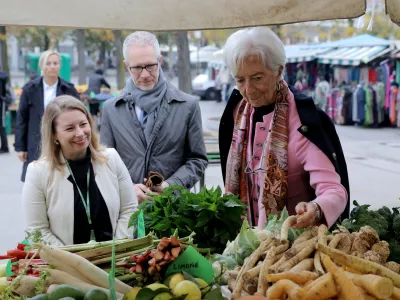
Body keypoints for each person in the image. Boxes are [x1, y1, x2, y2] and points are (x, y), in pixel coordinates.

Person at [219, 27, 350, 229]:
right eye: (240, 80)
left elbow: (334, 190)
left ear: (279, 71)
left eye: (257, 78)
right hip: (244, 242)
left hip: (290, 248)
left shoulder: (304, 122)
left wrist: (316, 208)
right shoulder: (237, 114)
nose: (249, 90)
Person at [101, 31, 208, 203]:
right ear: (127, 66)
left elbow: (197, 159)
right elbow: (104, 163)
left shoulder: (188, 105)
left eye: (150, 65)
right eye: (137, 68)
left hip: (172, 212)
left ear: (160, 61)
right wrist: (127, 189)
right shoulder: (111, 109)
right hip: (128, 212)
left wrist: (170, 186)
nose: (144, 75)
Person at [22, 95, 137, 246]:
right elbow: (36, 230)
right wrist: (73, 261)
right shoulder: (38, 172)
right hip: (67, 265)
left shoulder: (112, 159)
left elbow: (130, 210)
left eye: (83, 124)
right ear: (54, 135)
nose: (80, 133)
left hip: (116, 261)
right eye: (70, 128)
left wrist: (116, 250)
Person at [15, 49, 80, 182]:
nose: (52, 67)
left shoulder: (68, 89)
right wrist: (20, 147)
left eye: (55, 63)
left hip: (62, 140)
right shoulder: (29, 89)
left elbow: (78, 117)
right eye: (48, 63)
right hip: (35, 140)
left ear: (59, 66)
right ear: (41, 66)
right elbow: (22, 118)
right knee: (36, 180)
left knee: (61, 179)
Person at [0, 71, 15, 154]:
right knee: (2, 126)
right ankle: (4, 146)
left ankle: (4, 147)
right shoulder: (4, 77)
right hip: (2, 105)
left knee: (2, 127)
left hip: (2, 105)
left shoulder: (2, 78)